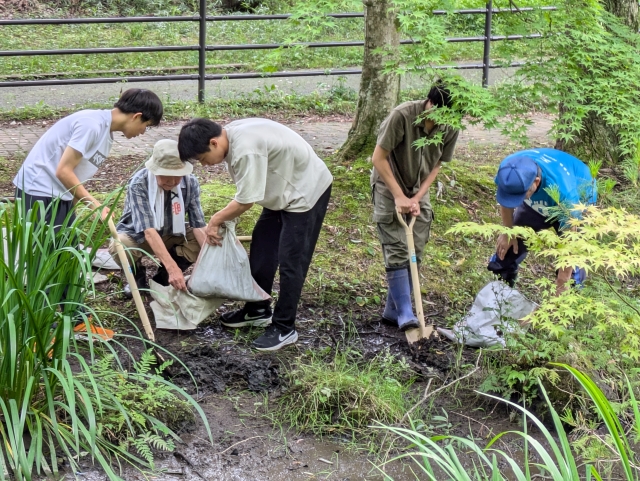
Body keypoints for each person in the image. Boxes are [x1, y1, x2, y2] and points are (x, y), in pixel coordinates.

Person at [177, 118, 333, 351]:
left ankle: (284, 327)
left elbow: (245, 201)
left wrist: (215, 220)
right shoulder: (230, 136)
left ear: (213, 142)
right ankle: (258, 309)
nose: (204, 165)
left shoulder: (245, 150)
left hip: (305, 192)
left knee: (292, 260)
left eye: (202, 159)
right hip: (281, 191)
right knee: (263, 247)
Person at [372, 82, 459, 331]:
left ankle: (393, 310)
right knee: (397, 248)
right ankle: (407, 312)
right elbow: (378, 158)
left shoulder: (451, 125)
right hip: (389, 185)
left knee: (416, 246)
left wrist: (418, 197)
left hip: (418, 189)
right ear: (429, 103)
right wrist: (399, 195)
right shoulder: (402, 116)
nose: (443, 119)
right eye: (438, 111)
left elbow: (437, 165)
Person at [13, 88, 163, 225]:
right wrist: (95, 205)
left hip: (60, 195)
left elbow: (74, 175)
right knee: (46, 254)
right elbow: (63, 171)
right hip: (38, 193)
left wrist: (77, 207)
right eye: (147, 126)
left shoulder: (106, 135)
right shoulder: (91, 125)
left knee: (67, 252)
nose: (143, 132)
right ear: (137, 117)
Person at [488, 148, 597, 293]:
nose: (514, 202)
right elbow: (505, 201)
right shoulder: (508, 170)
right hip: (538, 203)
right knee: (507, 250)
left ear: (536, 182)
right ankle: (501, 297)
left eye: (520, 196)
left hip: (577, 199)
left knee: (571, 274)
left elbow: (571, 242)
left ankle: (566, 303)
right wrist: (509, 232)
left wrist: (562, 281)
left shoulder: (567, 195)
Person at [109, 139, 207, 298]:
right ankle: (137, 277)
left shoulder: (190, 183)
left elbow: (199, 225)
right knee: (120, 245)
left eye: (177, 176)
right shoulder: (139, 183)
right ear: (155, 170)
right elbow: (148, 231)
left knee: (206, 238)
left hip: (173, 232)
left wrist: (209, 260)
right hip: (140, 236)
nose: (173, 181)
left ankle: (162, 279)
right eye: (167, 175)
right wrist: (172, 268)